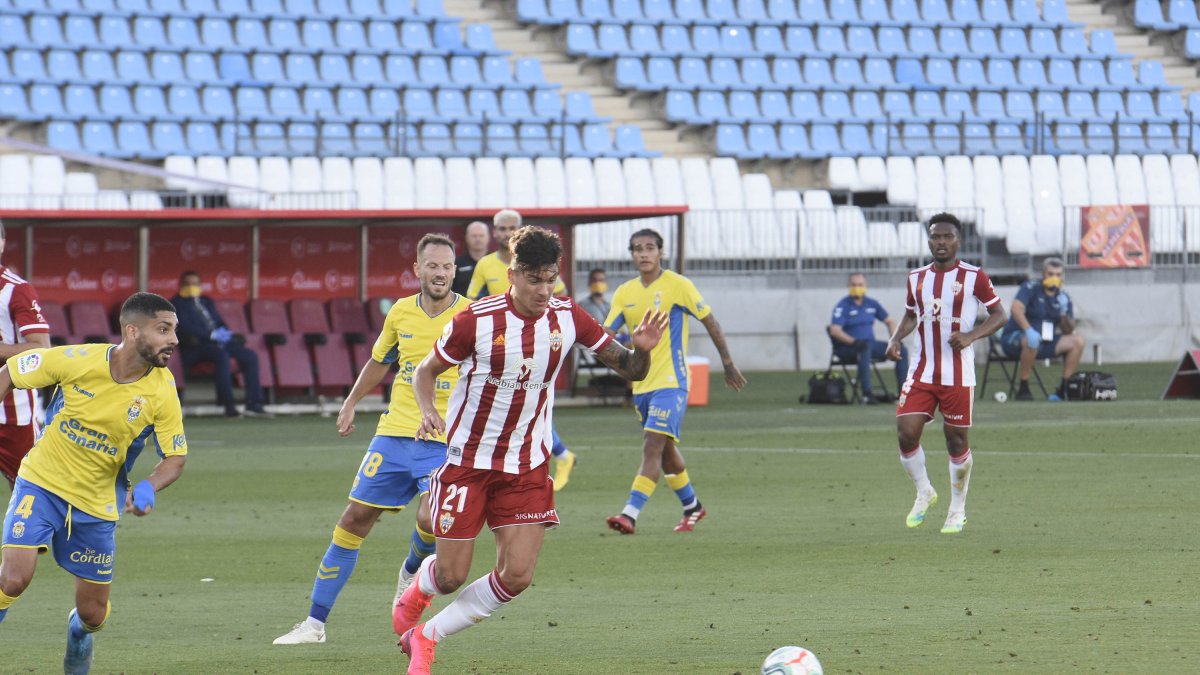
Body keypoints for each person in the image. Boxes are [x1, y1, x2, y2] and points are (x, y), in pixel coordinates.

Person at [394, 225, 667, 675]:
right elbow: (425, 372)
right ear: (513, 274)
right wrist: (428, 412)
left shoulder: (568, 316)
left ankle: (426, 636)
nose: (545, 289)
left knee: (517, 575)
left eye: (551, 278)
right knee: (451, 576)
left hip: (526, 465)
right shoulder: (475, 321)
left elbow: (630, 369)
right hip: (468, 462)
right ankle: (421, 586)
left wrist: (643, 352)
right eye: (535, 279)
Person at [273, 234, 468, 646]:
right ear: (417, 269)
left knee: (432, 520)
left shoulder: (469, 316)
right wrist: (350, 402)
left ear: (455, 270)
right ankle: (314, 624)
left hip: (446, 440)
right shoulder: (400, 312)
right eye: (432, 265)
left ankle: (411, 569)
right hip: (394, 435)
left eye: (447, 266)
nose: (440, 273)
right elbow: (381, 360)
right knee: (352, 521)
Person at [0, 292, 188, 674]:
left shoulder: (163, 391)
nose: (174, 340)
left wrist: (148, 486)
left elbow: (175, 457)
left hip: (97, 505)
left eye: (174, 330)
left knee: (93, 615)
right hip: (41, 482)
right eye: (164, 329)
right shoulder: (78, 359)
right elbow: (10, 373)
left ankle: (79, 633)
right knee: (14, 579)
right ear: (132, 331)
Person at [603, 228, 746, 536]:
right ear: (631, 254)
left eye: (650, 247)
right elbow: (605, 337)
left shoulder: (678, 286)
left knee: (652, 444)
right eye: (637, 248)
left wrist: (728, 362)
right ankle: (692, 506)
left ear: (660, 252)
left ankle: (630, 513)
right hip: (641, 385)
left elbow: (710, 320)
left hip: (672, 381)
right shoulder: (624, 292)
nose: (643, 253)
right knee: (665, 451)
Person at [885, 213, 1006, 535]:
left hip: (957, 373)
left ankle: (957, 509)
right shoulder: (917, 278)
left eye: (947, 236)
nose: (941, 242)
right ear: (928, 240)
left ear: (958, 240)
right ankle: (924, 491)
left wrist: (971, 336)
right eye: (935, 237)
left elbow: (1000, 314)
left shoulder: (974, 276)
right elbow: (912, 315)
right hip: (922, 369)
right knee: (906, 432)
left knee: (956, 440)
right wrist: (896, 338)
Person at [467, 209, 577, 490]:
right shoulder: (485, 265)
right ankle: (560, 454)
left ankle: (557, 455)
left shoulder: (539, 265)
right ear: (495, 233)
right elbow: (469, 303)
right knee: (511, 401)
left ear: (520, 230)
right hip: (497, 344)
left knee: (527, 398)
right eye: (500, 229)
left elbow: (559, 296)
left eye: (510, 228)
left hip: (534, 339)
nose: (505, 233)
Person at [170, 271, 269, 418]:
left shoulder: (206, 301)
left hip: (218, 342)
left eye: (195, 284)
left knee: (249, 356)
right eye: (188, 284)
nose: (192, 287)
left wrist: (226, 334)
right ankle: (228, 404)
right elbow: (185, 327)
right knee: (222, 355)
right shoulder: (175, 304)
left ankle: (254, 404)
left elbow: (218, 321)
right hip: (196, 346)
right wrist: (210, 335)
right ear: (181, 285)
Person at [0, 219, 52, 490]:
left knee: (31, 491)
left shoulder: (15, 290)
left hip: (13, 410)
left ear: (2, 243)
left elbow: (41, 349)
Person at [998, 258, 1085, 401]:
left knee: (1078, 341)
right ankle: (1024, 388)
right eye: (1050, 274)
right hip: (1017, 338)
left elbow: (1069, 330)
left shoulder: (1063, 297)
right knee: (1032, 340)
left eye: (1058, 275)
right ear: (1043, 274)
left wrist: (1064, 314)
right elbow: (1016, 308)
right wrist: (1028, 330)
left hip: (1046, 341)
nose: (1054, 278)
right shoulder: (1030, 287)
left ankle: (1063, 389)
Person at [828, 272, 908, 404]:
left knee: (902, 350)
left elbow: (890, 321)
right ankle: (867, 394)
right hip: (848, 348)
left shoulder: (872, 303)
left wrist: (895, 340)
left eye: (860, 284)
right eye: (854, 284)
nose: (857, 287)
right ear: (848, 286)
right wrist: (854, 342)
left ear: (866, 286)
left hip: (870, 345)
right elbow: (835, 330)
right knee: (864, 349)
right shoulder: (843, 305)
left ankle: (902, 394)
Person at [450, 221, 490, 297]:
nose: (478, 239)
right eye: (474, 236)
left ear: (488, 238)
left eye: (481, 236)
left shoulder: (495, 261)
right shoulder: (457, 263)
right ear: (466, 238)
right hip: (463, 307)